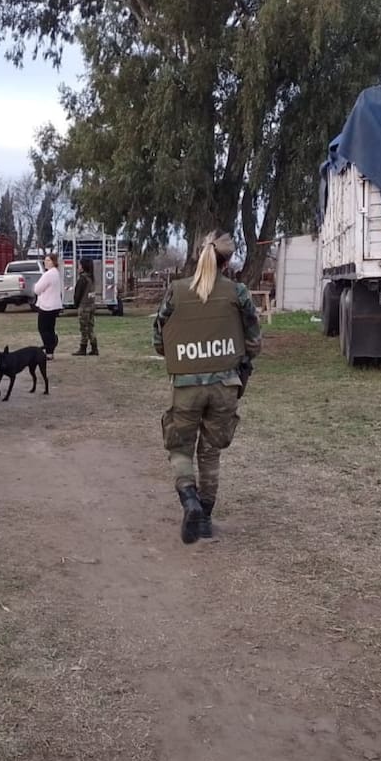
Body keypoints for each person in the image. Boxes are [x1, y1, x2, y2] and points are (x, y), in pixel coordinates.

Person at [152, 230, 261, 544]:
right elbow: (254, 343)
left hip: (186, 384)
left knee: (179, 447)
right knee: (210, 452)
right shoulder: (239, 293)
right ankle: (205, 519)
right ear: (226, 263)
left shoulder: (176, 291)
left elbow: (160, 339)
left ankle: (189, 500)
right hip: (225, 384)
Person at [33, 253, 62, 359]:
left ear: (54, 262)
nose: (46, 262)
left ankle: (49, 350)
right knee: (50, 328)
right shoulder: (56, 273)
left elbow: (37, 289)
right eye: (45, 260)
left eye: (48, 260)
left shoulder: (48, 274)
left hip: (47, 306)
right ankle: (51, 347)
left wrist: (36, 286)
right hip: (55, 305)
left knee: (43, 329)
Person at [71, 258, 98, 356]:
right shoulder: (91, 278)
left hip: (84, 306)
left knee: (83, 328)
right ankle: (94, 347)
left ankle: (83, 348)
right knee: (91, 327)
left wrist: (75, 304)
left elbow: (77, 294)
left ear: (83, 267)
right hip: (91, 305)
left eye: (79, 265)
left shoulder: (82, 279)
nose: (78, 267)